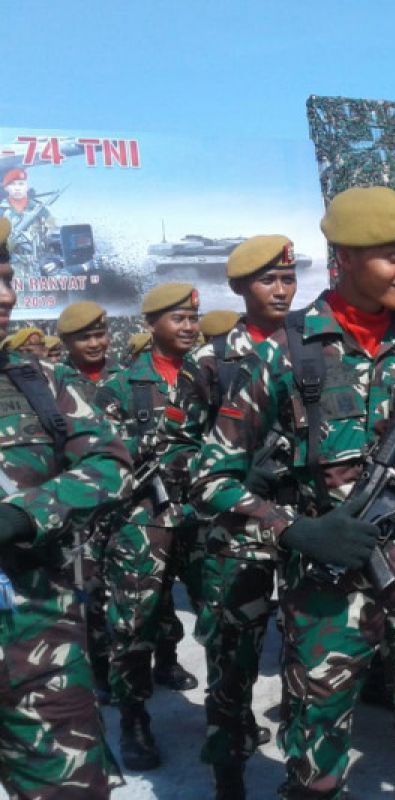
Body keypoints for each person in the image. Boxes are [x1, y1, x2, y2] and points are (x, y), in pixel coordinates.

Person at [191, 187, 395, 798]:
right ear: (344, 257)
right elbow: (210, 477)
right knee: (315, 768)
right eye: (394, 256)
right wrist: (295, 529)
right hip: (326, 594)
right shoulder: (281, 356)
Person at [155, 235, 298, 797]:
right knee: (233, 656)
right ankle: (229, 766)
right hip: (236, 532)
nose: (281, 290)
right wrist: (237, 474)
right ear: (240, 287)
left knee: (309, 644)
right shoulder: (210, 361)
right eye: (268, 280)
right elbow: (173, 449)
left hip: (307, 524)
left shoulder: (312, 345)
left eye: (288, 279)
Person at [0, 217, 133, 799]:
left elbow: (111, 462)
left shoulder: (40, 384)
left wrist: (30, 510)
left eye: (6, 277)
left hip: (38, 652)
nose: (7, 295)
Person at [97, 282, 203, 771]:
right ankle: (133, 719)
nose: (188, 327)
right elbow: (103, 462)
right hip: (145, 519)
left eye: (192, 319)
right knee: (134, 624)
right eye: (177, 319)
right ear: (151, 325)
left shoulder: (212, 376)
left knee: (225, 618)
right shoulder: (122, 385)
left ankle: (229, 717)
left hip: (205, 515)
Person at [57, 301, 123, 703]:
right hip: (80, 514)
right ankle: (100, 673)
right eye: (85, 337)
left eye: (100, 334)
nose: (96, 343)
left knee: (139, 595)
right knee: (91, 597)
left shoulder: (125, 376)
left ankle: (155, 662)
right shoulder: (54, 383)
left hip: (126, 504)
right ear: (67, 342)